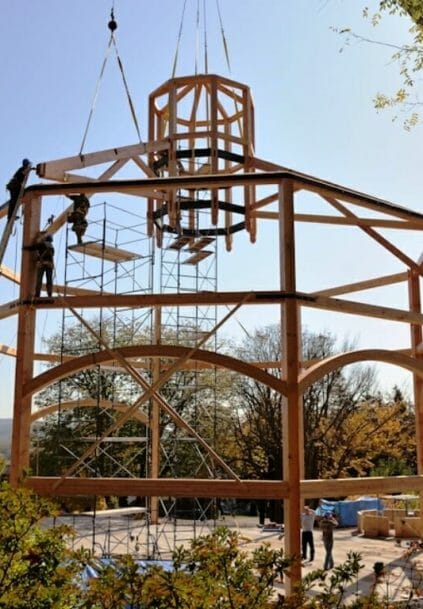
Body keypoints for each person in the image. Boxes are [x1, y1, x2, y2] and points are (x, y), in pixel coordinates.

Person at [35, 233, 54, 297]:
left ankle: (37, 294)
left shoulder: (41, 244)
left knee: (39, 280)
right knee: (49, 280)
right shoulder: (51, 246)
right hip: (48, 264)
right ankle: (49, 294)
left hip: (42, 264)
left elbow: (36, 249)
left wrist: (39, 238)